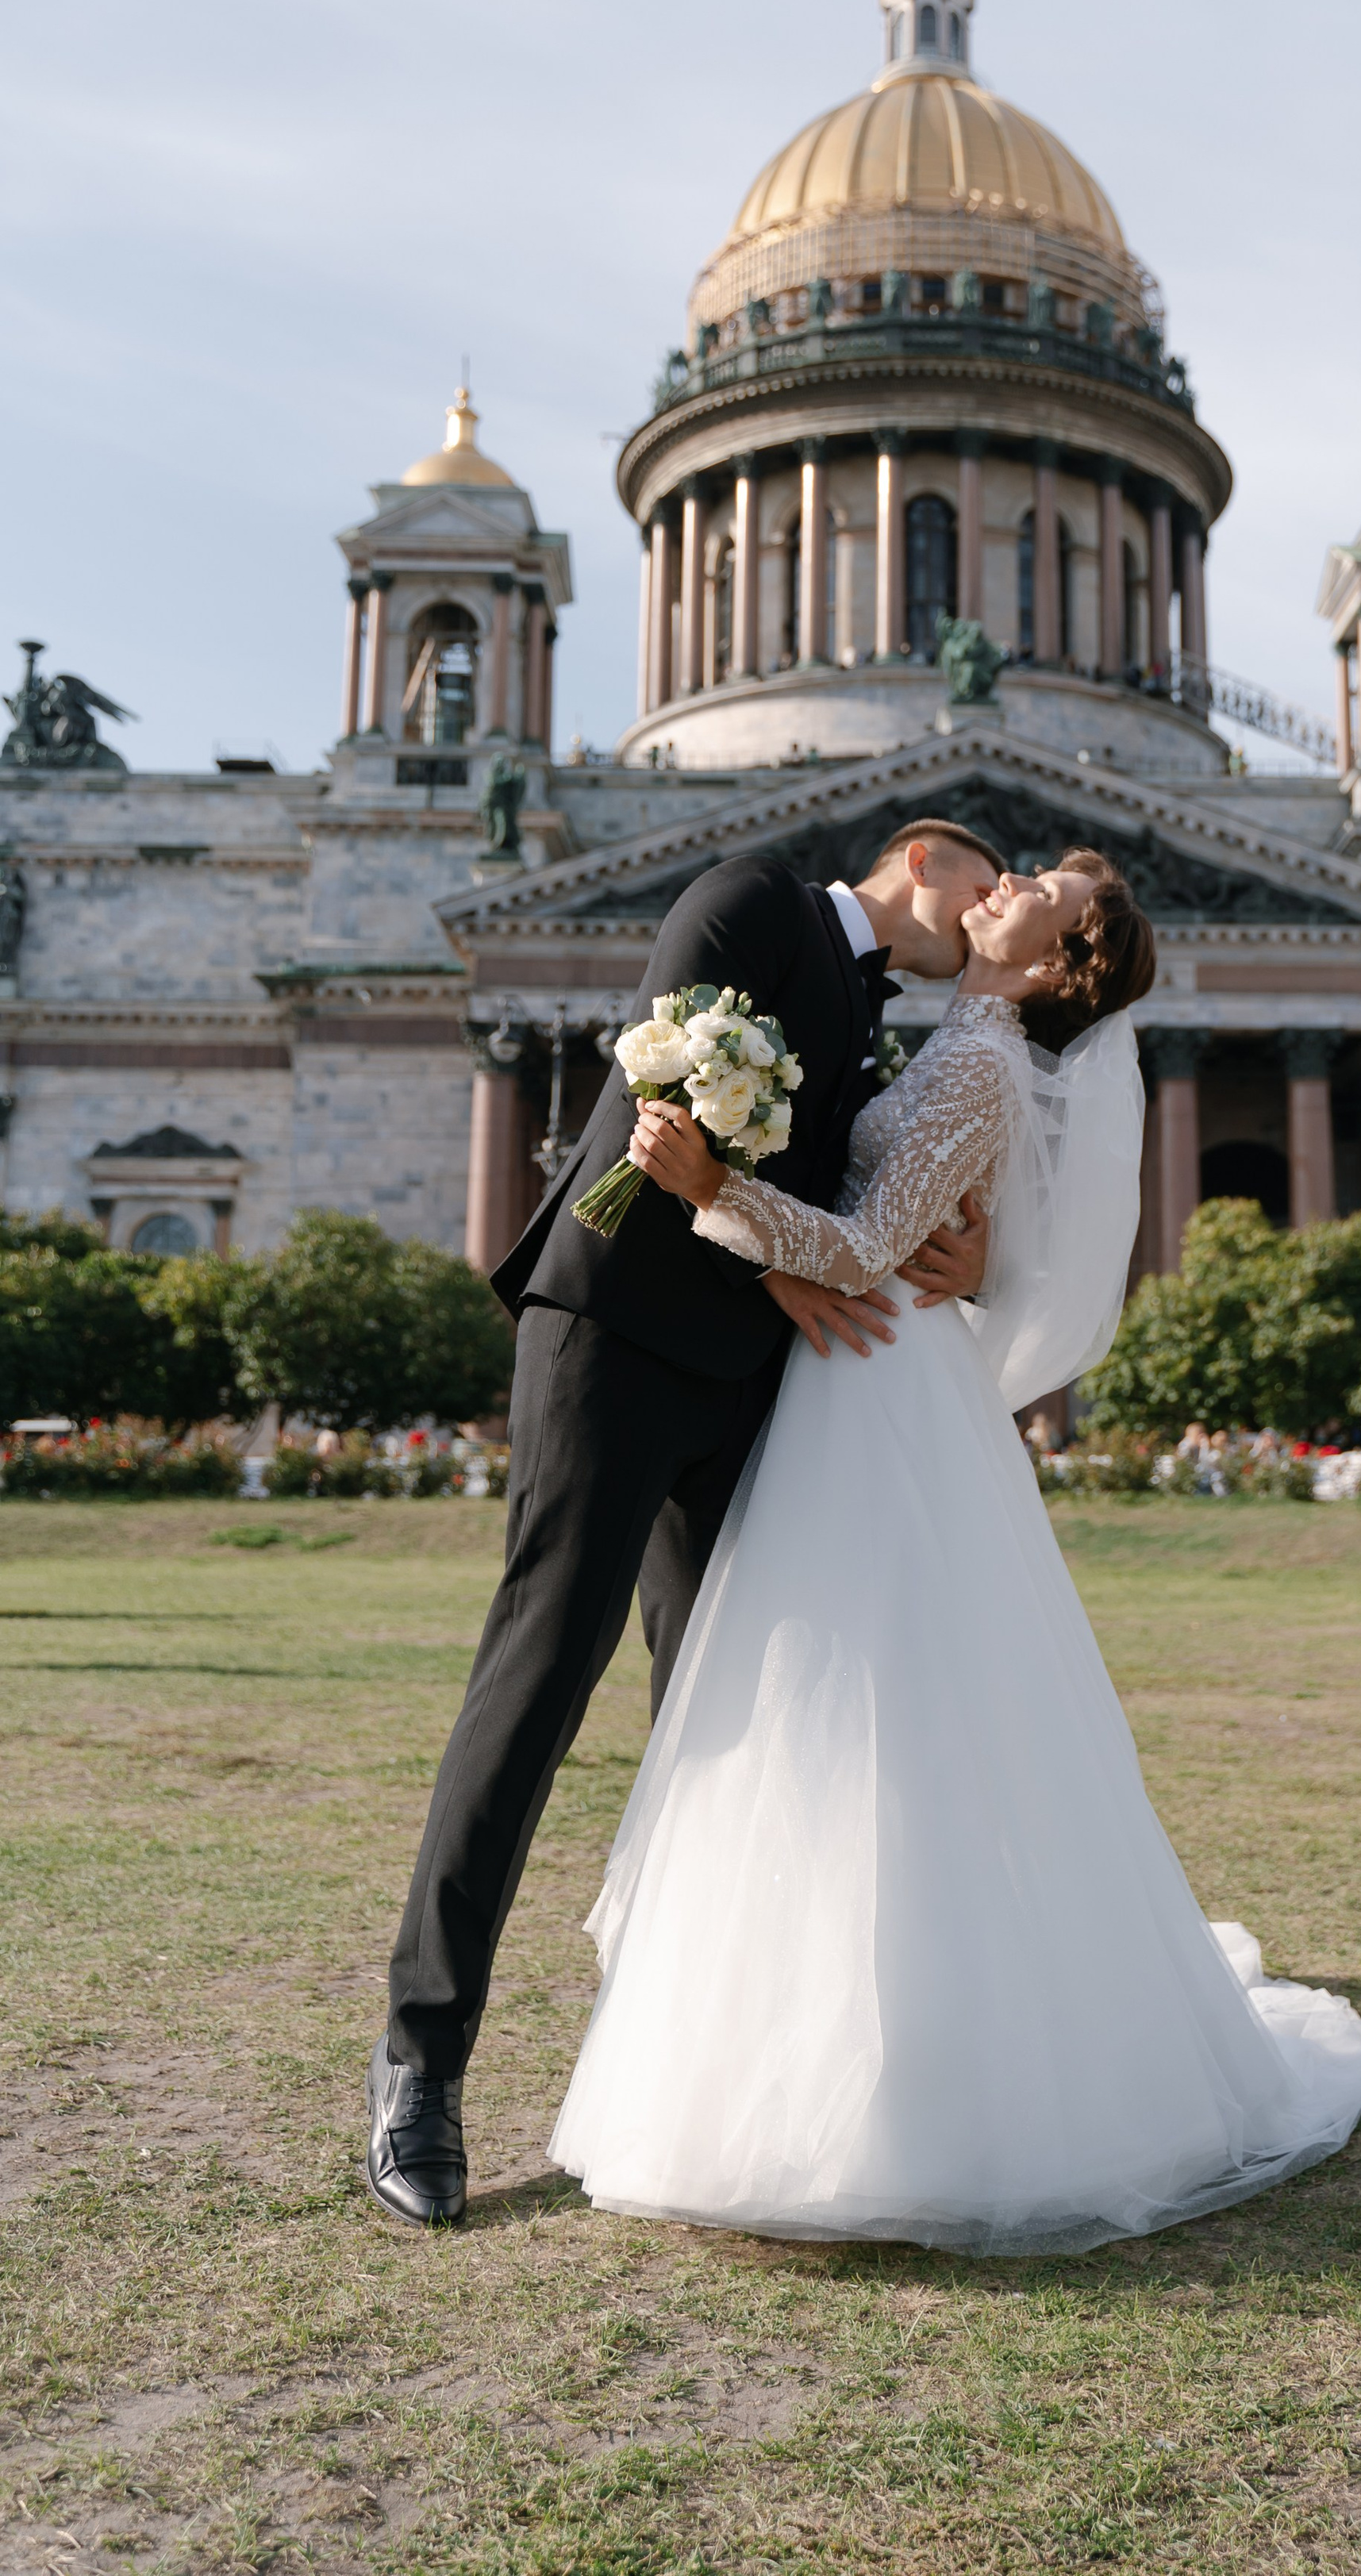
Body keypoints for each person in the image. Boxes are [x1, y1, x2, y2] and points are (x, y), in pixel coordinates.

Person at [548, 849, 1361, 2253]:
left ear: (1060, 963)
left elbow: (870, 1243)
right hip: (869, 1387)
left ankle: (888, 2091)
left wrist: (710, 1182)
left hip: (872, 1393)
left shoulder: (983, 1062)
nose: (1004, 883)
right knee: (865, 1720)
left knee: (858, 1719)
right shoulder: (960, 1041)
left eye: (1039, 895)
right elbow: (913, 1224)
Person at [367, 821, 1003, 2227]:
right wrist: (774, 1269)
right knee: (537, 1685)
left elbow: (834, 1208)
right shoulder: (748, 901)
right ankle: (421, 2060)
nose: (996, 908)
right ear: (921, 860)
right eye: (987, 880)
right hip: (611, 1337)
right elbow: (668, 1100)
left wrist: (963, 1246)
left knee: (721, 1722)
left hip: (746, 1388)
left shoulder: (883, 1021)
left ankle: (676, 2062)